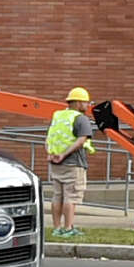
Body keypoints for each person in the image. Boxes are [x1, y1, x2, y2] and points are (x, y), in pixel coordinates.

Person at [46, 87, 95, 238]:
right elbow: (81, 140)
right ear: (79, 103)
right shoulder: (81, 119)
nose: (88, 106)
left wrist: (50, 154)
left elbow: (49, 137)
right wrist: (64, 154)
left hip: (55, 164)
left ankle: (56, 228)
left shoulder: (58, 116)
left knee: (57, 196)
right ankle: (68, 228)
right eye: (86, 103)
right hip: (73, 164)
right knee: (71, 197)